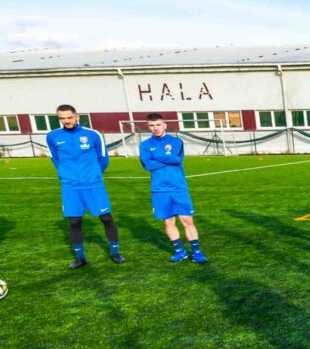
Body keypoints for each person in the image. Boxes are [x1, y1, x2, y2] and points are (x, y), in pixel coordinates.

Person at [45, 104, 124, 268]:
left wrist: (93, 175)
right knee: (74, 222)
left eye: (69, 117)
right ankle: (80, 258)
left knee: (106, 218)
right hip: (71, 186)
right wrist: (66, 175)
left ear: (77, 116)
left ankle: (115, 253)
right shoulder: (52, 136)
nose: (66, 121)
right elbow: (55, 159)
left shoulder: (92, 134)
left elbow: (103, 158)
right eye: (62, 118)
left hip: (93, 184)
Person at [138, 113, 209, 263]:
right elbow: (147, 165)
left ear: (164, 125)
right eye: (152, 125)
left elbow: (176, 159)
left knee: (186, 220)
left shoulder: (176, 141)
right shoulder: (144, 145)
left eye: (158, 125)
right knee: (168, 222)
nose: (155, 128)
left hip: (178, 187)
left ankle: (197, 252)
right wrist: (165, 157)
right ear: (148, 127)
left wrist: (155, 156)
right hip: (158, 189)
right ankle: (180, 252)